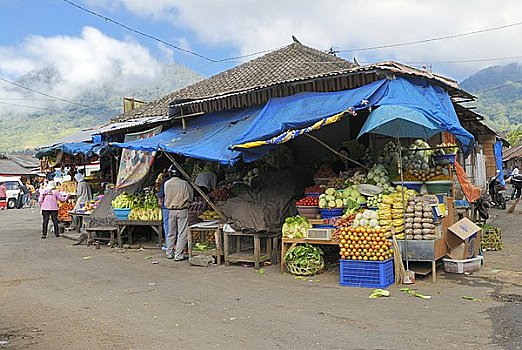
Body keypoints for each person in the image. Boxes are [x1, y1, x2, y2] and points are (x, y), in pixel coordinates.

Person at [164, 167, 194, 261]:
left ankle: (169, 253)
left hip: (170, 210)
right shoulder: (184, 183)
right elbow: (190, 196)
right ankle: (178, 255)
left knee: (171, 232)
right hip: (182, 210)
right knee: (182, 233)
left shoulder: (166, 183)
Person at [156, 168, 171, 250]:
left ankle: (168, 245)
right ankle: (175, 245)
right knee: (176, 225)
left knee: (167, 225)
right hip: (177, 206)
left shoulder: (165, 181)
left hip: (166, 206)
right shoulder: (182, 181)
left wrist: (159, 202)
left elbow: (160, 194)